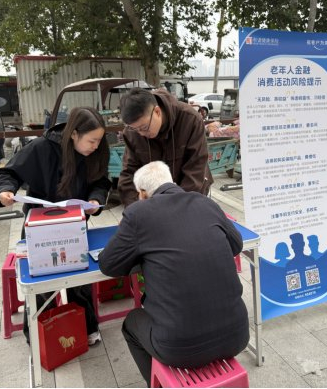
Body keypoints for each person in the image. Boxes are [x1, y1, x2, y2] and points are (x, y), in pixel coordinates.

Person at [99, 161, 249, 385]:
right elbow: (236, 245)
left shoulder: (138, 213)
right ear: (170, 181)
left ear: (142, 193)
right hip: (238, 336)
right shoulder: (205, 202)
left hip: (179, 349)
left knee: (131, 323)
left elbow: (108, 265)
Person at [0, 106, 112, 345]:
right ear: (74, 134)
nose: (96, 146)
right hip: (39, 227)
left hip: (74, 224)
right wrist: (4, 191)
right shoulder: (41, 147)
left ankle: (87, 328)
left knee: (79, 278)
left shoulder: (96, 152)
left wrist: (95, 200)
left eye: (99, 140)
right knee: (41, 283)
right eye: (92, 140)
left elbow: (100, 181)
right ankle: (40, 336)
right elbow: (9, 173)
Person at [118, 87, 213, 207]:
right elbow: (129, 173)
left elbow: (196, 169)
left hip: (190, 195)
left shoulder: (190, 120)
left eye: (144, 128)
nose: (141, 133)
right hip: (153, 202)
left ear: (157, 112)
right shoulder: (132, 132)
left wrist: (176, 206)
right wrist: (136, 208)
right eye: (136, 129)